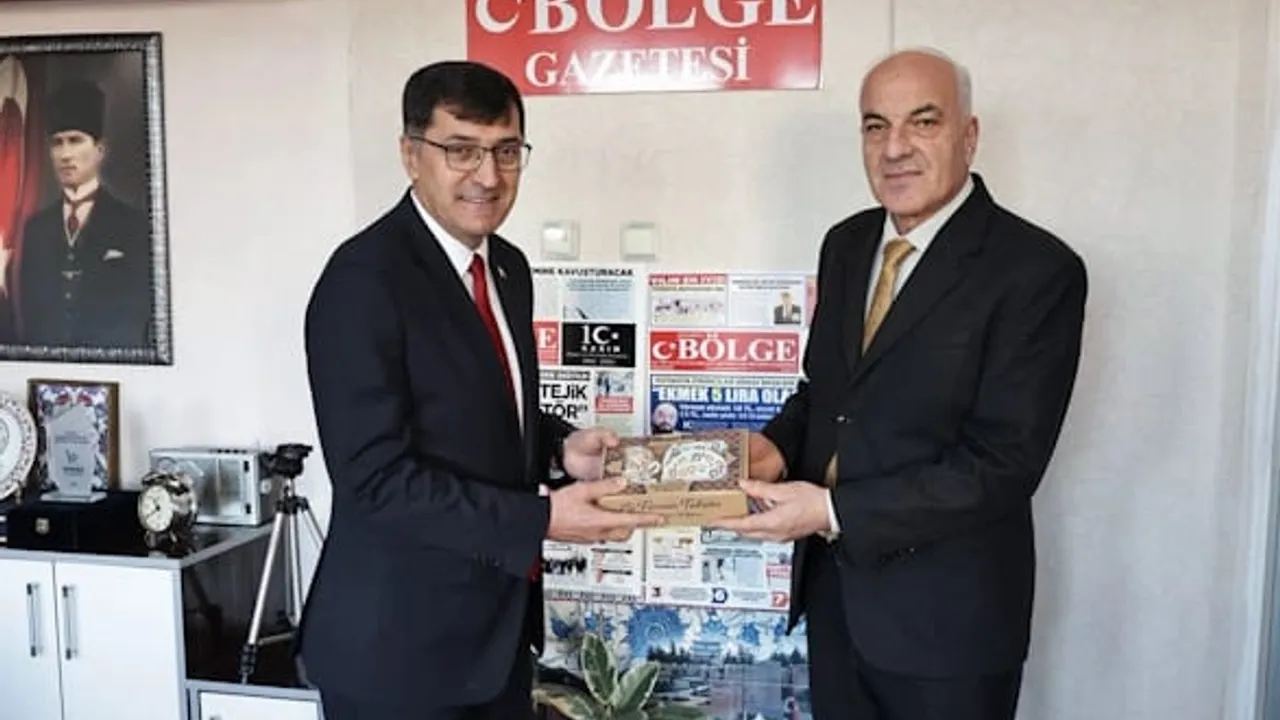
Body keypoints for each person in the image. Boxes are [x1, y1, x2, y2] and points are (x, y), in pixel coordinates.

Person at [711, 47, 1088, 720]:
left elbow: (1003, 463)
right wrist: (773, 448)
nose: (895, 148)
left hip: (951, 626)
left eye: (924, 121)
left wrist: (831, 512)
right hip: (837, 604)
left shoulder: (1036, 270)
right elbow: (826, 394)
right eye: (875, 126)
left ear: (969, 135)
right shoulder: (847, 244)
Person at [296, 60, 665, 720]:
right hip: (398, 652)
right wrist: (543, 519)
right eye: (461, 150)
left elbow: (488, 407)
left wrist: (562, 448)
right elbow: (375, 479)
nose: (489, 176)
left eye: (506, 151)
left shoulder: (508, 266)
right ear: (411, 155)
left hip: (494, 643)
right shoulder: (363, 281)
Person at [14, 78, 152, 348]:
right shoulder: (36, 228)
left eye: (75, 140)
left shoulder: (133, 225)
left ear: (99, 150)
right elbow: (32, 316)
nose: (65, 154)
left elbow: (139, 312)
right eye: (57, 143)